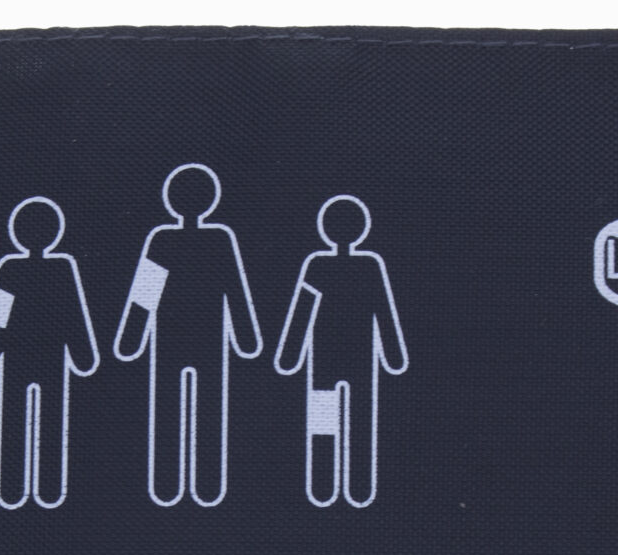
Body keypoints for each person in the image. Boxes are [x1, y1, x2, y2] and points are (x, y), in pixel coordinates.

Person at [114, 164, 263, 507]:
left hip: (173, 341)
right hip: (205, 341)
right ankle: (204, 484)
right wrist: (245, 338)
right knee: (205, 408)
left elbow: (146, 294)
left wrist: (131, 338)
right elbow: (233, 290)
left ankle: (170, 483)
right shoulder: (212, 240)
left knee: (172, 408)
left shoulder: (167, 241)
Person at [274, 195, 409, 507]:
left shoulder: (322, 266)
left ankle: (325, 485)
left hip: (328, 360)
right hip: (357, 359)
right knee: (356, 421)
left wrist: (290, 354)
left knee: (330, 424)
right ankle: (353, 486)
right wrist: (392, 355)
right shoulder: (362, 266)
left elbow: (304, 311)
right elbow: (382, 311)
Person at [0, 197, 100, 509]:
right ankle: (48, 488)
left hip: (18, 358)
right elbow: (73, 315)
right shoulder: (57, 269)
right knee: (49, 420)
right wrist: (82, 355)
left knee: (16, 419)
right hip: (49, 359)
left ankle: (14, 488)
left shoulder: (12, 270)